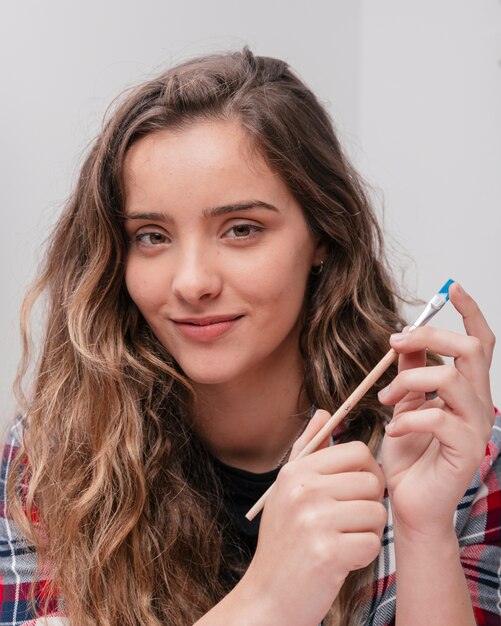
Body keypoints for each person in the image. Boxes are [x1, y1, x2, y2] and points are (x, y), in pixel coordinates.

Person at [0, 48, 499, 626]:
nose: (191, 282)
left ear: (323, 237)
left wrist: (425, 531)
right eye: (152, 236)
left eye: (241, 230)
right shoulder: (49, 458)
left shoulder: (454, 453)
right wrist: (268, 599)